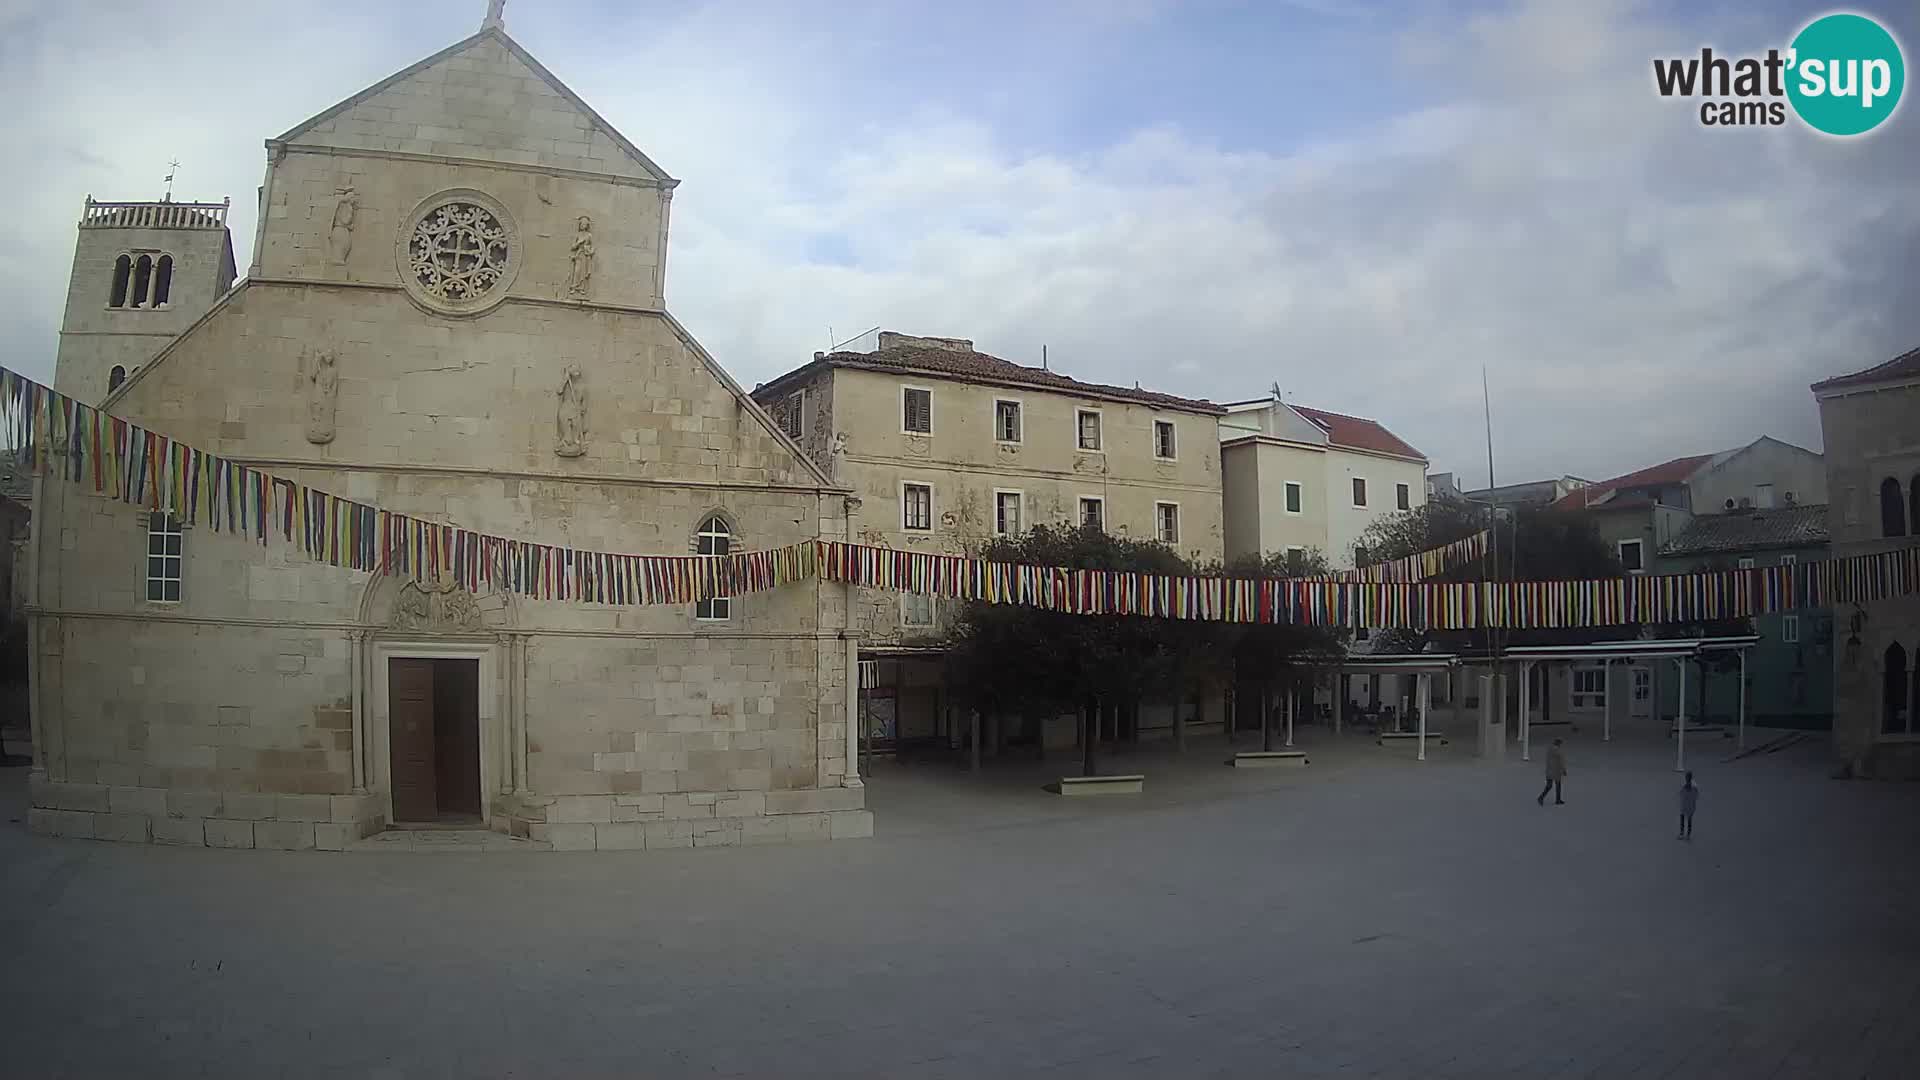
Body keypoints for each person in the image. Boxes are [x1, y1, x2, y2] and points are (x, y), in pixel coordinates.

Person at [1537, 737, 1567, 805]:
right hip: (1556, 771)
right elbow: (1561, 761)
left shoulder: (1549, 750)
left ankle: (1541, 797)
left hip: (1549, 771)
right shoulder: (1558, 751)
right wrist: (1564, 770)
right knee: (1558, 785)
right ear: (1558, 744)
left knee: (1549, 786)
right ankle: (1557, 800)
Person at [1679, 771, 1699, 839]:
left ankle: (1688, 834)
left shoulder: (1694, 786)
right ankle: (1682, 833)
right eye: (1686, 778)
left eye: (1688, 778)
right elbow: (1680, 794)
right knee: (1682, 818)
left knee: (1689, 820)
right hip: (1684, 805)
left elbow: (1696, 796)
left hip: (1690, 805)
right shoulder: (1683, 785)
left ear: (1690, 778)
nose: (1686, 779)